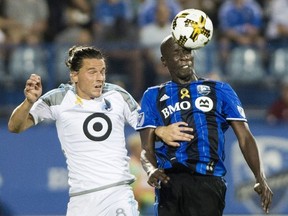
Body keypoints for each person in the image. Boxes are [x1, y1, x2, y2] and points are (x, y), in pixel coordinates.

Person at [7, 45, 194, 216]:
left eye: (102, 71)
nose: (100, 77)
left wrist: (161, 130)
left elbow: (143, 123)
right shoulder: (58, 99)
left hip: (117, 194)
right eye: (92, 72)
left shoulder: (117, 95)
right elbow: (15, 127)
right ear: (74, 75)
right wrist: (29, 102)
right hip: (80, 200)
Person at [136, 35, 273, 216]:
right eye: (176, 53)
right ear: (164, 61)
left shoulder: (221, 90)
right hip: (169, 181)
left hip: (207, 180)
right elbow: (146, 148)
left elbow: (245, 137)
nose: (184, 56)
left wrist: (259, 177)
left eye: (187, 51)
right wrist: (151, 169)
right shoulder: (152, 95)